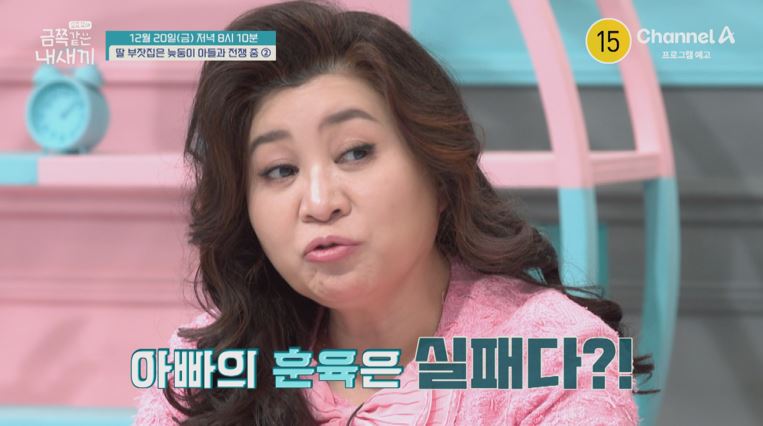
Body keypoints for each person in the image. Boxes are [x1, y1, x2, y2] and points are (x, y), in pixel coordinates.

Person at [134, 1, 656, 424]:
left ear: (439, 173)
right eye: (280, 170)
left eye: (355, 152)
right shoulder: (202, 371)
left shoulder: (551, 355)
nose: (319, 202)